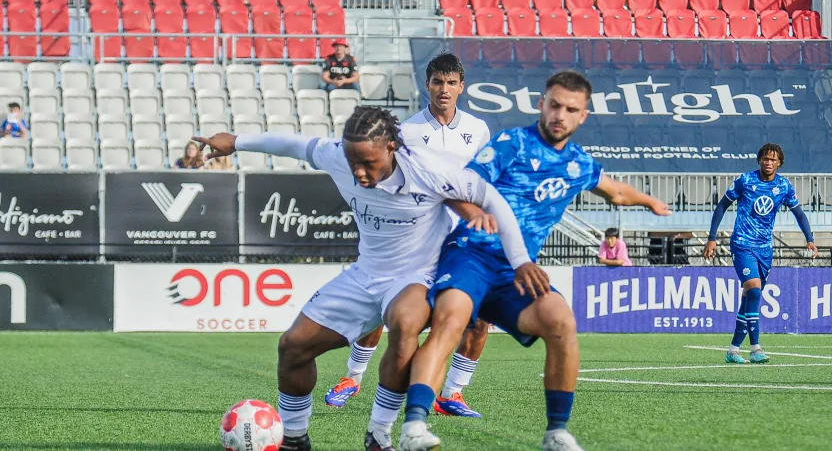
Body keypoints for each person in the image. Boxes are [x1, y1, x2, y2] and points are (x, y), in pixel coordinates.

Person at [192, 106, 549, 451]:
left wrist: (520, 260)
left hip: (416, 275)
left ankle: (379, 434)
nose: (360, 173)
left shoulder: (430, 168)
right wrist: (235, 141)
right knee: (293, 346)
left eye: (368, 163)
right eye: (353, 163)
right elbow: (290, 144)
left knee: (406, 321)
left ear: (391, 148)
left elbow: (492, 199)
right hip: (365, 273)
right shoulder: (336, 155)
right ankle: (295, 439)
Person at [395, 71, 672, 451]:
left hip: (516, 271)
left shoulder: (578, 163)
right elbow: (458, 186)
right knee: (451, 321)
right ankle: (414, 428)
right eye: (554, 104)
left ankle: (556, 432)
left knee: (562, 321)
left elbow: (616, 193)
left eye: (570, 109)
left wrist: (650, 201)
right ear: (542, 104)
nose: (560, 114)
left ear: (582, 117)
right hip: (471, 256)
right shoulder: (512, 143)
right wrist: (472, 212)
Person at [324, 52, 493, 419]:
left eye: (451, 83)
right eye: (437, 82)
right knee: (384, 310)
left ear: (461, 87)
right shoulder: (407, 131)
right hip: (417, 234)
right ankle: (351, 377)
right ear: (427, 86)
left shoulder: (479, 130)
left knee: (481, 316)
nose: (444, 89)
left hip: (463, 236)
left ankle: (453, 394)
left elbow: (482, 180)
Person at [704, 143, 817, 365]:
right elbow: (721, 206)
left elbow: (799, 214)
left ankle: (733, 350)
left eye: (773, 159)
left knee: (750, 298)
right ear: (759, 160)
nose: (768, 162)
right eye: (765, 158)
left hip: (764, 248)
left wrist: (810, 239)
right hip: (742, 243)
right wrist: (712, 237)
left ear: (779, 163)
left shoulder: (783, 186)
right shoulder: (745, 180)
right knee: (754, 289)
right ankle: (755, 347)